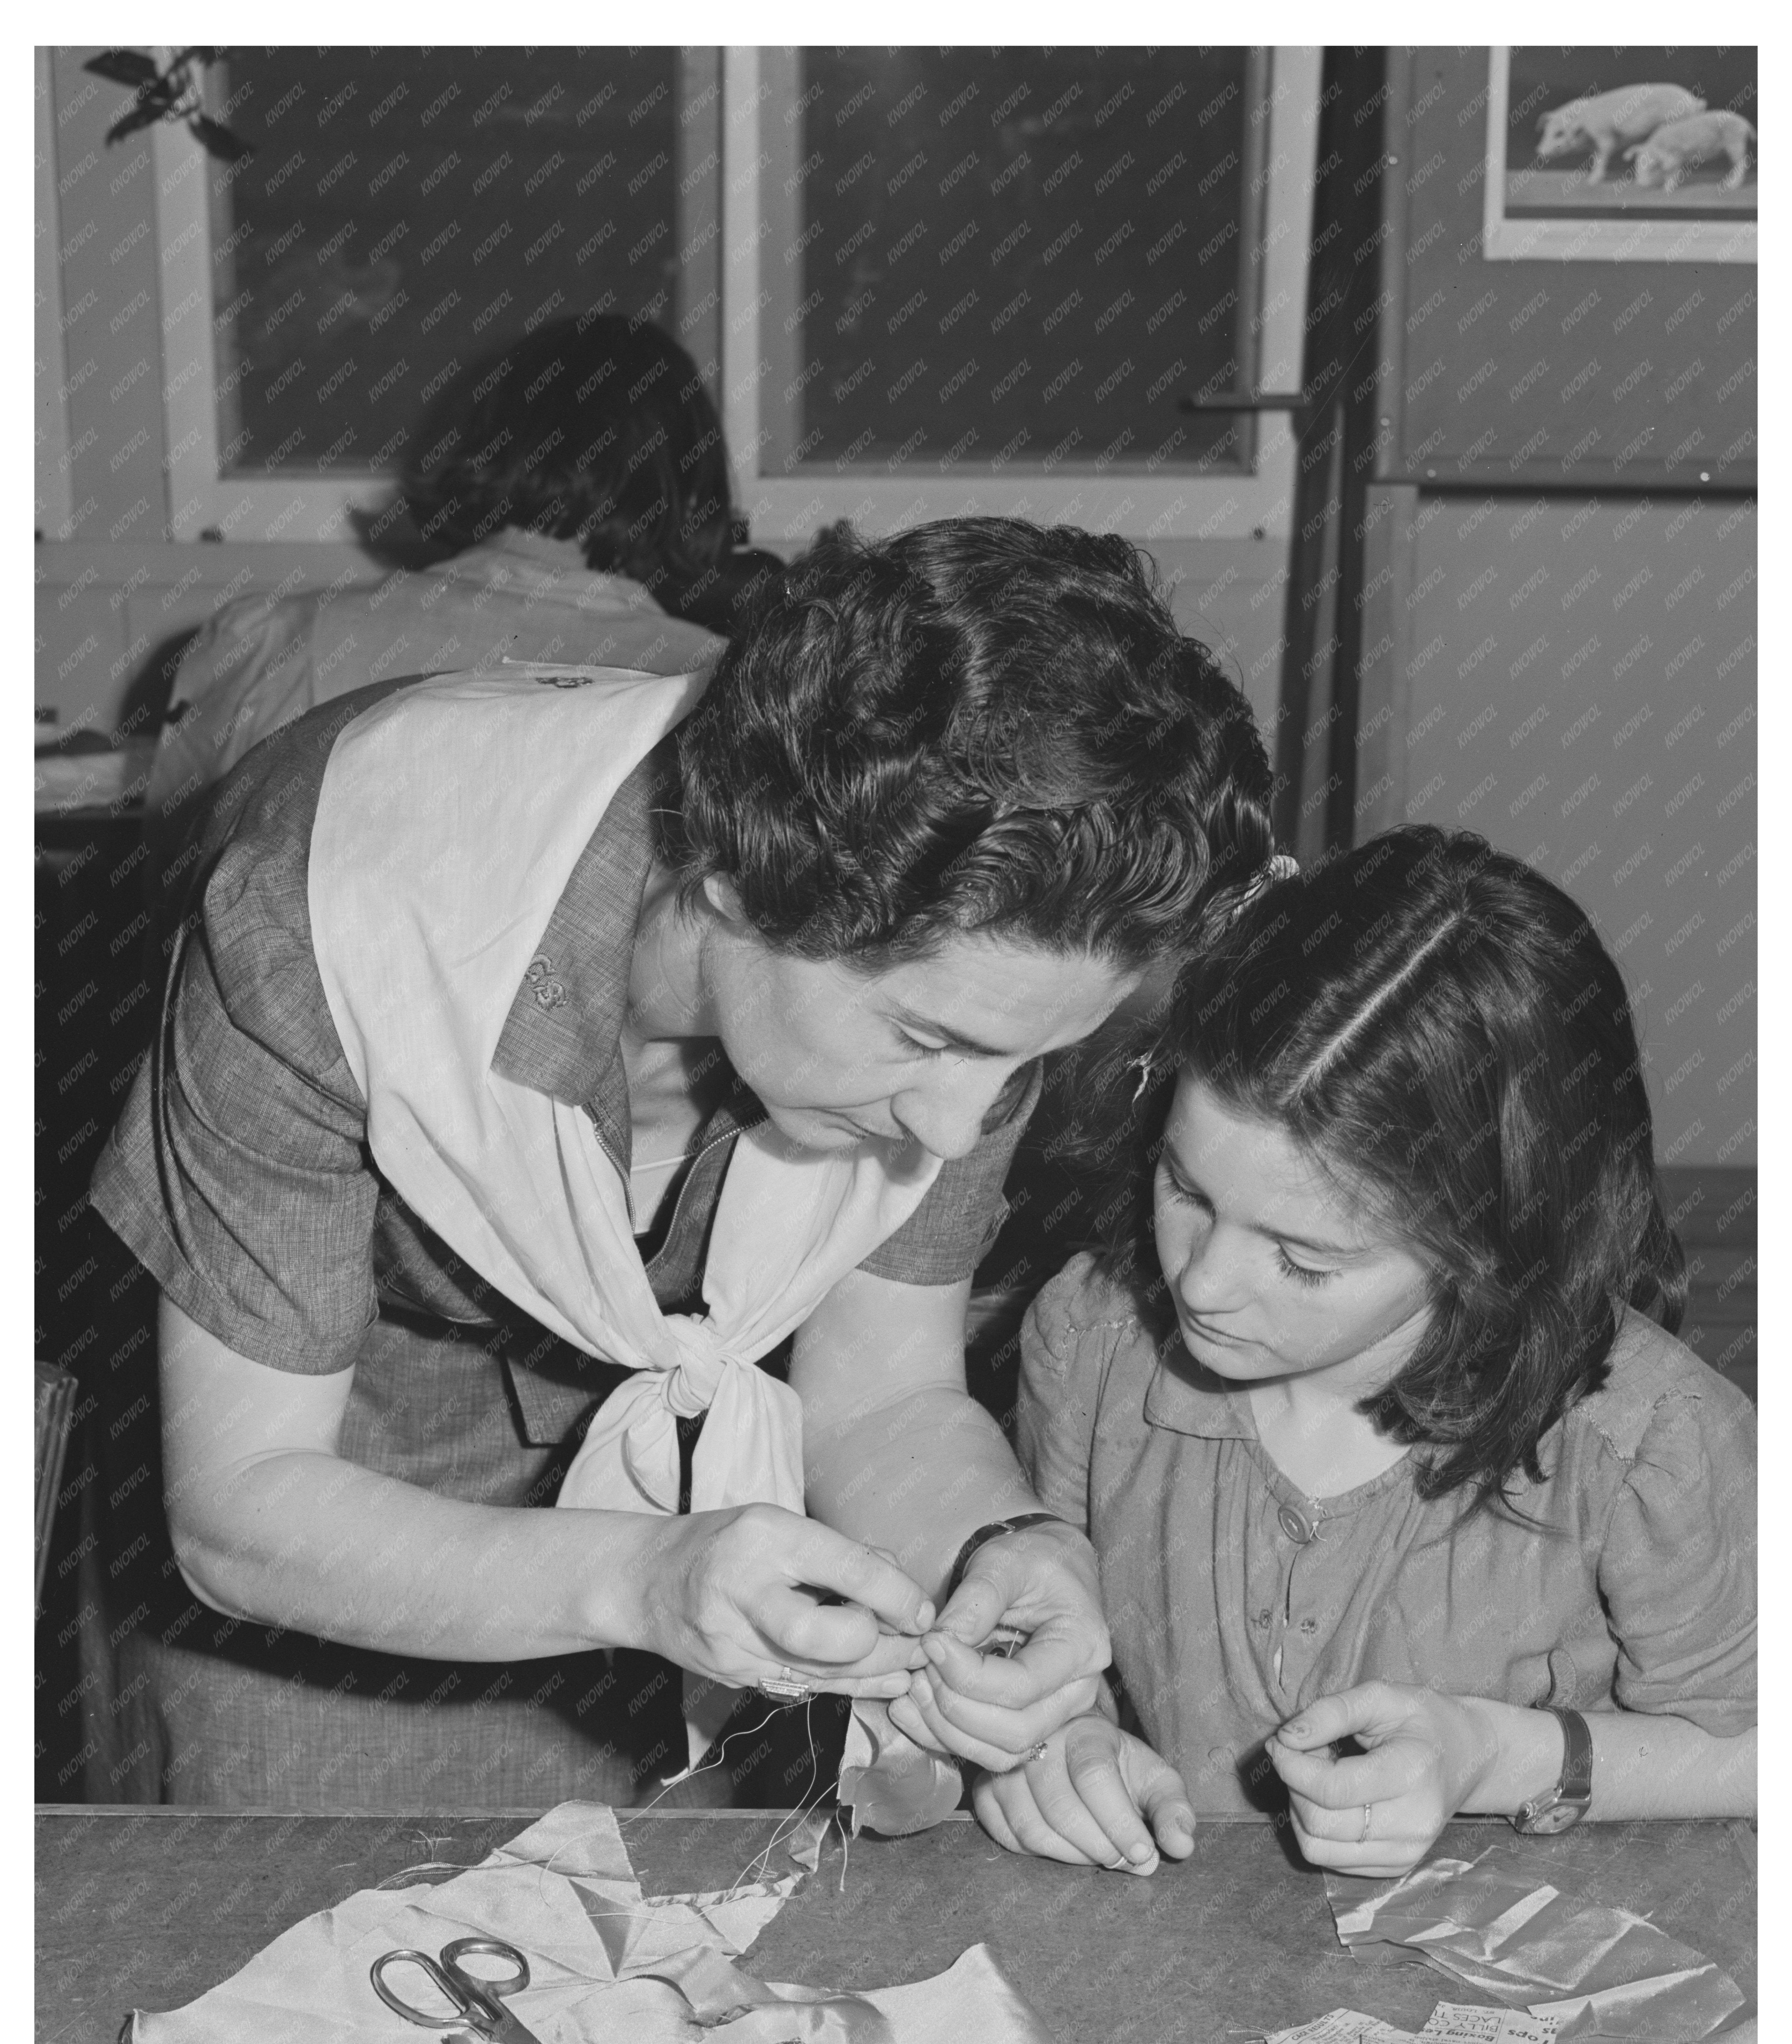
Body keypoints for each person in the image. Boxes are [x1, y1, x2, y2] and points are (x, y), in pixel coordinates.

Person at [86, 516, 1275, 1809]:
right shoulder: (318, 919)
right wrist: (644, 1577)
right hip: (335, 1545)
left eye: (1021, 1066)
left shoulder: (969, 989)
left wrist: (1009, 1544)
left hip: (696, 1545)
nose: (956, 1127)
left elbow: (880, 1398)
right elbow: (242, 1509)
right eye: (927, 1038)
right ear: (734, 885)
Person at [971, 827, 1756, 1876]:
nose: (1200, 1284)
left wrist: (1491, 1757)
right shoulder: (1090, 1339)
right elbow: (1041, 1662)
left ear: (1488, 1247)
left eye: (1303, 1259)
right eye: (1185, 1190)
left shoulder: (1650, 1440)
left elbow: (1756, 1754)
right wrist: (1043, 1744)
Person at [145, 312, 766, 925]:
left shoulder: (285, 642)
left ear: (486, 443)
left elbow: (176, 896)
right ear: (693, 489)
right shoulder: (722, 687)